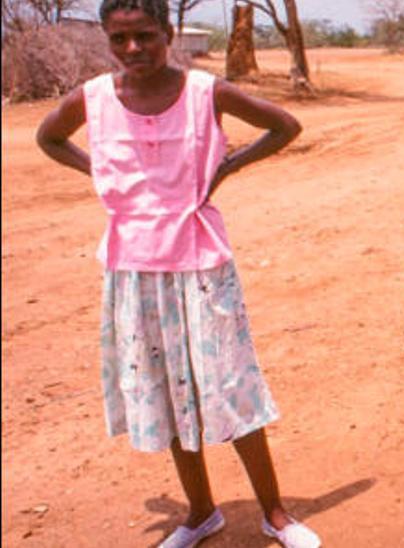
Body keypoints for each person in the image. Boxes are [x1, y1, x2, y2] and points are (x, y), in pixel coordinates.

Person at [35, 1, 317, 546]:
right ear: (107, 40)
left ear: (169, 34)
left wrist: (229, 164)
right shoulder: (92, 99)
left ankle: (275, 514)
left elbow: (285, 125)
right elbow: (48, 138)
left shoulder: (206, 93)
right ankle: (201, 512)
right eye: (120, 39)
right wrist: (97, 169)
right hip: (134, 267)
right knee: (167, 392)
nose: (133, 49)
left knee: (230, 385)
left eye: (145, 35)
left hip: (200, 261)